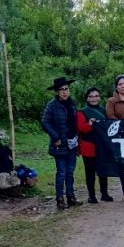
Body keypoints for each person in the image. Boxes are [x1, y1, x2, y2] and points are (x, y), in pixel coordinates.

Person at [41, 76, 81, 209]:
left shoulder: (72, 103)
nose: (64, 92)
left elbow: (75, 123)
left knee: (70, 172)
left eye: (66, 89)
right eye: (61, 89)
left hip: (72, 142)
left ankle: (71, 197)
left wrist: (77, 138)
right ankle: (60, 199)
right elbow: (45, 122)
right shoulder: (52, 105)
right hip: (60, 144)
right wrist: (55, 137)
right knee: (62, 172)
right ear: (57, 92)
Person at [76, 86, 113, 204]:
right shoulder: (82, 112)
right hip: (88, 145)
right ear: (87, 98)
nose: (94, 98)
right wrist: (90, 124)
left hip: (101, 145)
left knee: (103, 170)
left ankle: (104, 193)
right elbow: (81, 128)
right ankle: (91, 196)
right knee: (90, 171)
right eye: (91, 96)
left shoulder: (104, 111)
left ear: (100, 98)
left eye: (96, 96)